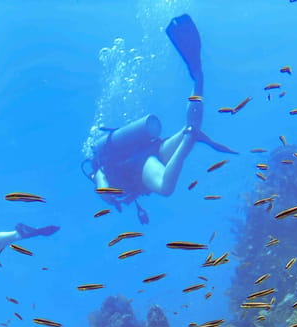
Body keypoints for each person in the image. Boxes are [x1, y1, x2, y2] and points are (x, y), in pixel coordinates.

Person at [84, 14, 237, 224]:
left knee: (165, 187)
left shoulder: (99, 169)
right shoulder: (107, 158)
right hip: (151, 151)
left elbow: (103, 188)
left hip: (140, 164)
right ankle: (197, 78)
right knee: (191, 126)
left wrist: (111, 199)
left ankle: (189, 138)